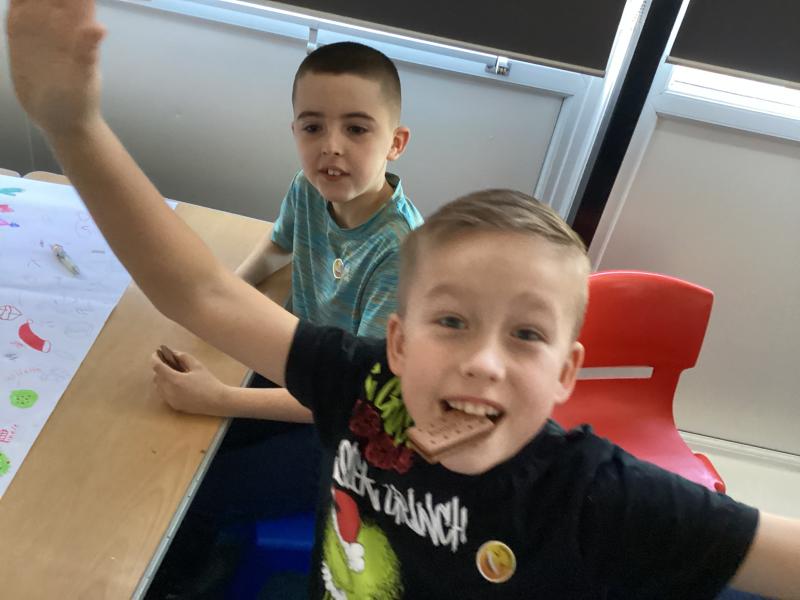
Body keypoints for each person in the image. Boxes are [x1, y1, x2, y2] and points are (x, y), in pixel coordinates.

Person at [7, 2, 799, 598]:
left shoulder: (586, 492)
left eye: (527, 334)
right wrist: (73, 127)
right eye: (451, 321)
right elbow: (199, 290)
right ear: (396, 341)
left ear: (567, 371)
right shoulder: (364, 388)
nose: (482, 361)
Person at [147, 40, 422, 596]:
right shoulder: (309, 189)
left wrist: (220, 397)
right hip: (303, 367)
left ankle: (193, 577)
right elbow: (277, 246)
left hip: (352, 431)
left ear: (395, 143)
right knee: (173, 441)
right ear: (294, 131)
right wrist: (220, 298)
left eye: (357, 129)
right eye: (313, 127)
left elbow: (353, 398)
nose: (331, 147)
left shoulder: (399, 251)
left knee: (198, 491)